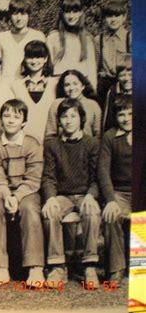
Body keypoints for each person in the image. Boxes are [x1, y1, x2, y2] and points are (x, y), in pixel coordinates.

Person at [42, 98, 101, 289]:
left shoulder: (92, 143)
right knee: (50, 212)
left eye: (73, 116)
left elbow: (96, 177)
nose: (68, 120)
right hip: (63, 195)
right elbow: (48, 177)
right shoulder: (52, 145)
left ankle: (89, 265)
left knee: (92, 212)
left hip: (85, 194)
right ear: (59, 120)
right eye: (64, 116)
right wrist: (50, 198)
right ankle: (58, 266)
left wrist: (91, 195)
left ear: (81, 119)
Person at [0, 99, 45, 287]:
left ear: (24, 122)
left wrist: (17, 196)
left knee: (30, 209)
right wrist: (6, 195)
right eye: (6, 116)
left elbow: (34, 178)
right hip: (2, 192)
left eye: (16, 117)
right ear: (1, 120)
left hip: (27, 192)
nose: (11, 120)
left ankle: (35, 267)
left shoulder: (32, 143)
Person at [98, 95, 132, 287]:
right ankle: (116, 268)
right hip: (119, 191)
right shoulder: (110, 136)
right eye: (121, 114)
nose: (126, 118)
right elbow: (103, 171)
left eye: (130, 113)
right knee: (111, 214)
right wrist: (110, 199)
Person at [47, 0, 97, 92]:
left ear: (80, 13)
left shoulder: (87, 38)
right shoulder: (53, 37)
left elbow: (92, 70)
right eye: (67, 12)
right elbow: (48, 68)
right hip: (59, 86)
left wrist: (93, 91)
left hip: (80, 87)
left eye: (75, 11)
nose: (71, 16)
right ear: (62, 14)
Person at [11, 40, 57, 143]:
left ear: (45, 59)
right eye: (30, 57)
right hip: (24, 140)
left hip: (50, 140)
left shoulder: (55, 84)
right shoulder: (16, 85)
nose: (34, 61)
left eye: (38, 57)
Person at [0, 0, 46, 81]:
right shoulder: (1, 37)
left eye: (23, 14)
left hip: (29, 86)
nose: (19, 18)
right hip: (6, 86)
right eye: (15, 14)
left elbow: (43, 64)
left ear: (29, 15)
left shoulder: (38, 36)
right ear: (10, 15)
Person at [95, 0, 131, 110]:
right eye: (109, 16)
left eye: (117, 15)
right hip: (105, 85)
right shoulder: (98, 39)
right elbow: (95, 65)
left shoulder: (129, 37)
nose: (113, 19)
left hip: (125, 82)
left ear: (124, 17)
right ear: (105, 18)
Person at [45, 69, 101, 140]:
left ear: (83, 86)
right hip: (61, 148)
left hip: (87, 149)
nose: (71, 88)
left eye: (75, 84)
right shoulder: (56, 104)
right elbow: (50, 135)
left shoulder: (93, 105)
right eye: (67, 85)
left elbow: (98, 136)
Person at [103, 54, 132, 132]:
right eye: (122, 75)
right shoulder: (113, 91)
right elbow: (108, 121)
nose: (126, 78)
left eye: (130, 74)